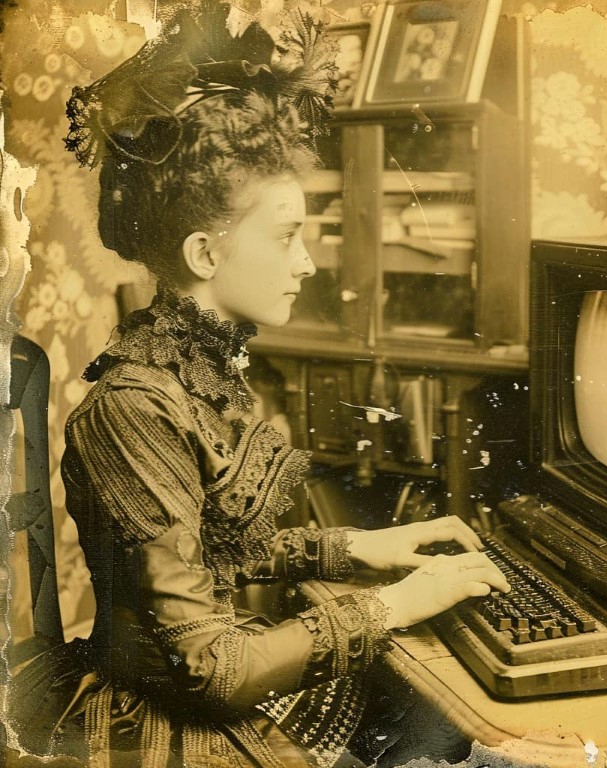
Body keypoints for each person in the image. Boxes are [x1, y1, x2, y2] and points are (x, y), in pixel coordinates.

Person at [7, 6, 510, 767]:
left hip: (213, 675)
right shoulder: (131, 409)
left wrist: (359, 546)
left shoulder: (193, 369)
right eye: (286, 236)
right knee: (460, 734)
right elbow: (212, 670)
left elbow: (208, 552)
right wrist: (395, 603)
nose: (306, 262)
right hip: (164, 722)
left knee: (445, 719)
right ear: (205, 254)